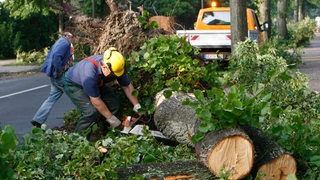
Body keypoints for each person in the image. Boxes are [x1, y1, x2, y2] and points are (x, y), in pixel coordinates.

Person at [62, 47, 141, 133]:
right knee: (90, 112)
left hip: (97, 82)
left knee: (114, 103)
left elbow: (127, 86)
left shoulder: (115, 66)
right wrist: (112, 120)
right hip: (74, 84)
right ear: (104, 68)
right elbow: (96, 100)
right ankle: (78, 139)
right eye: (113, 75)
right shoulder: (89, 75)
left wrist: (137, 106)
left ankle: (110, 133)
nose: (116, 77)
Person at [31, 32, 74, 127]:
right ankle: (85, 114)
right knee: (74, 93)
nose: (72, 39)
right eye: (71, 37)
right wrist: (59, 70)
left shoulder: (60, 41)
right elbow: (56, 56)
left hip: (53, 73)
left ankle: (38, 119)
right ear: (67, 36)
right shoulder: (65, 43)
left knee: (52, 97)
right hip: (57, 74)